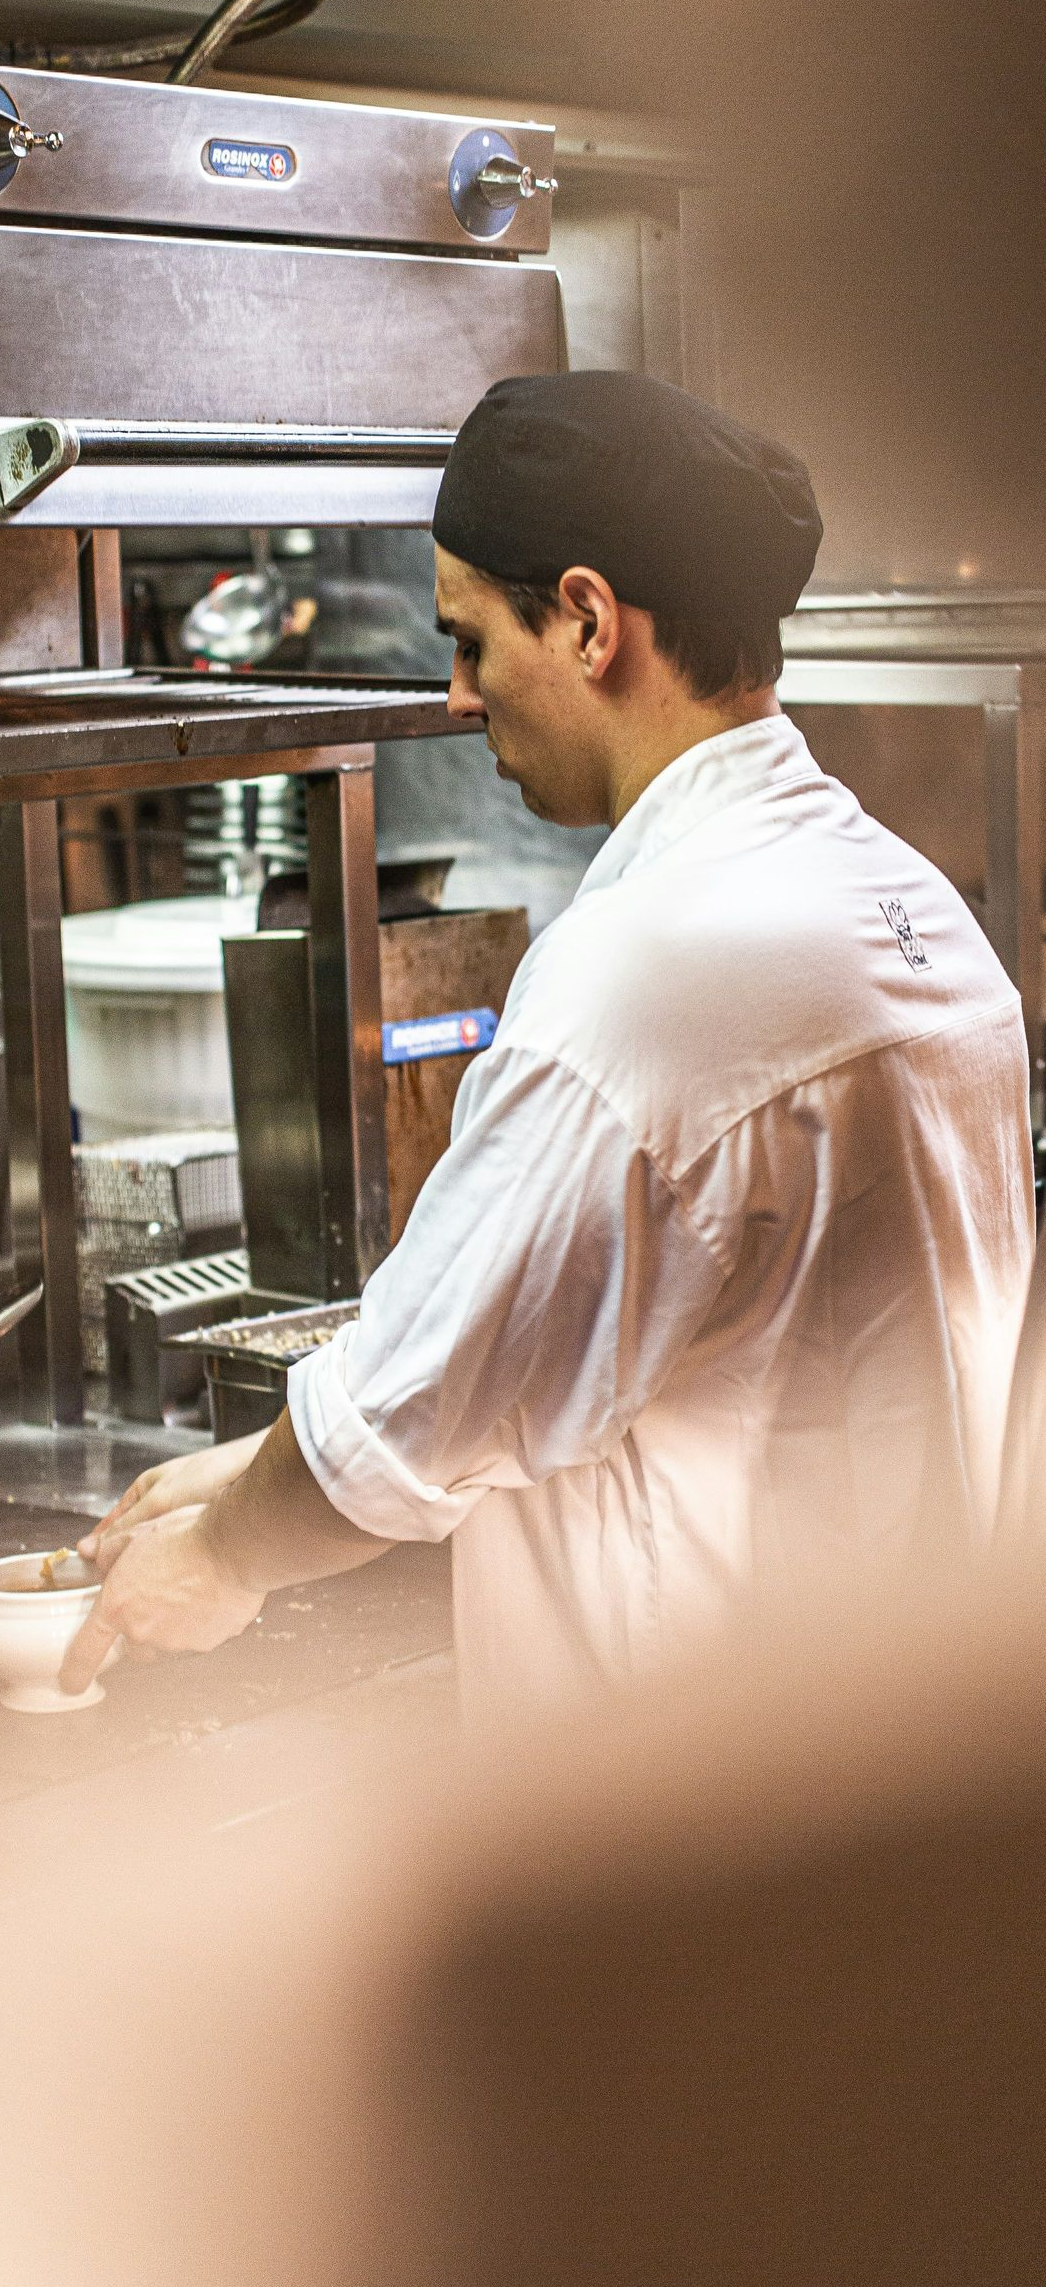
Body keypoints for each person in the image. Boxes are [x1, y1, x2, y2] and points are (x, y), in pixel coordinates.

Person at [63, 373, 1036, 1713]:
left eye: (469, 641)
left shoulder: (641, 981)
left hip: (677, 1787)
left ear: (586, 620)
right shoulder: (903, 906)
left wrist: (226, 1556)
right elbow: (576, 1333)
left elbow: (418, 1421)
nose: (459, 697)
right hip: (879, 1741)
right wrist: (233, 1468)